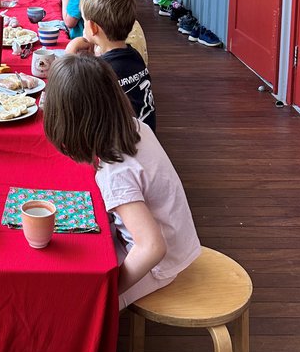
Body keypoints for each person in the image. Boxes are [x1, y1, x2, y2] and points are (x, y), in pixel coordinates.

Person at [42, 55, 200, 309]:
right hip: (175, 244)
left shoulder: (116, 173)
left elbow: (151, 247)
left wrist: (111, 289)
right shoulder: (135, 127)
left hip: (160, 265)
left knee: (75, 303)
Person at [79, 0, 156, 132]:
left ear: (93, 27)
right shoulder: (134, 55)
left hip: (121, 147)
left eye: (84, 21)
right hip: (146, 136)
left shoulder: (101, 70)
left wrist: (70, 53)